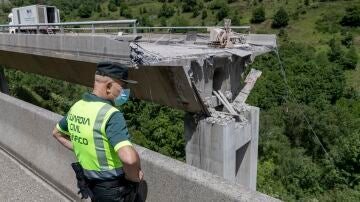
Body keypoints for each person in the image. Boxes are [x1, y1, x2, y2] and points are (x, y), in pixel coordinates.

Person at [52, 61, 143, 202]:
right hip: (114, 190)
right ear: (109, 86)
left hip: (89, 184)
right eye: (123, 86)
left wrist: (82, 148)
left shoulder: (77, 107)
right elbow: (129, 159)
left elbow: (57, 133)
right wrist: (134, 177)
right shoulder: (111, 114)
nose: (125, 91)